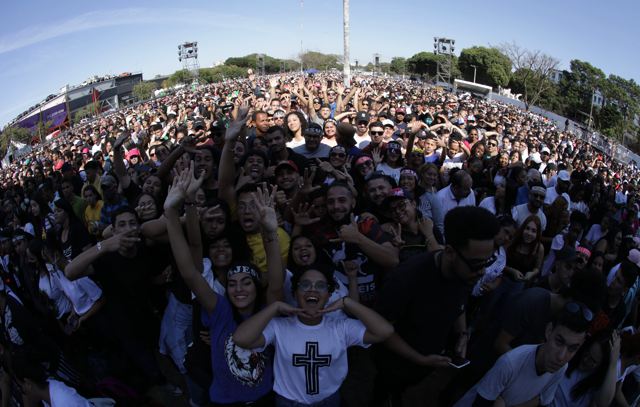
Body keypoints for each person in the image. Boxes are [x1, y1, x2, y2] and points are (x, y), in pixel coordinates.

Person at [164, 165, 284, 405]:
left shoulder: (265, 311)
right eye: (232, 284)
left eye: (246, 282)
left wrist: (270, 233)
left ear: (256, 286)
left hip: (265, 398)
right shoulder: (219, 309)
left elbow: (276, 283)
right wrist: (169, 212)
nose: (239, 288)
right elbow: (189, 271)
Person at [374, 206, 499, 404]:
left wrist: (462, 334)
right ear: (449, 252)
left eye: (488, 261)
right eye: (477, 264)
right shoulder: (406, 278)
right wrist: (419, 359)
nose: (482, 271)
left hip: (429, 362)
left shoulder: (465, 273)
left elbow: (460, 303)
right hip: (396, 365)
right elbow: (380, 330)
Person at [233, 263, 394, 406]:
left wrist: (347, 302)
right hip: (287, 402)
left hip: (329, 400)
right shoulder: (279, 326)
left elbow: (385, 331)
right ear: (295, 293)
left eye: (321, 286)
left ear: (329, 295)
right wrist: (274, 307)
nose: (312, 289)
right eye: (305, 284)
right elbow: (241, 339)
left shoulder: (341, 327)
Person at [455, 302, 593, 406]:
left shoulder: (561, 368)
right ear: (549, 331)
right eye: (559, 342)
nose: (561, 357)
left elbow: (542, 401)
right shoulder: (510, 363)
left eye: (572, 348)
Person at [552, 331, 620, 407]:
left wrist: (613, 363)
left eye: (593, 361)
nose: (586, 360)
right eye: (587, 353)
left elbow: (603, 403)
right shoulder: (569, 354)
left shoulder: (596, 383)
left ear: (601, 366)